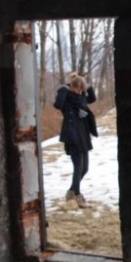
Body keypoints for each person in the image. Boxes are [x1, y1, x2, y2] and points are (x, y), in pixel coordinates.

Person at [53, 72, 98, 208]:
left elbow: (93, 99)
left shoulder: (82, 97)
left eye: (81, 89)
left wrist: (88, 86)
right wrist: (64, 88)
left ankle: (71, 191)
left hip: (83, 136)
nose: (79, 92)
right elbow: (57, 105)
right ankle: (77, 195)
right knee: (78, 167)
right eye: (77, 88)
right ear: (72, 87)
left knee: (85, 168)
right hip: (72, 137)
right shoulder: (66, 99)